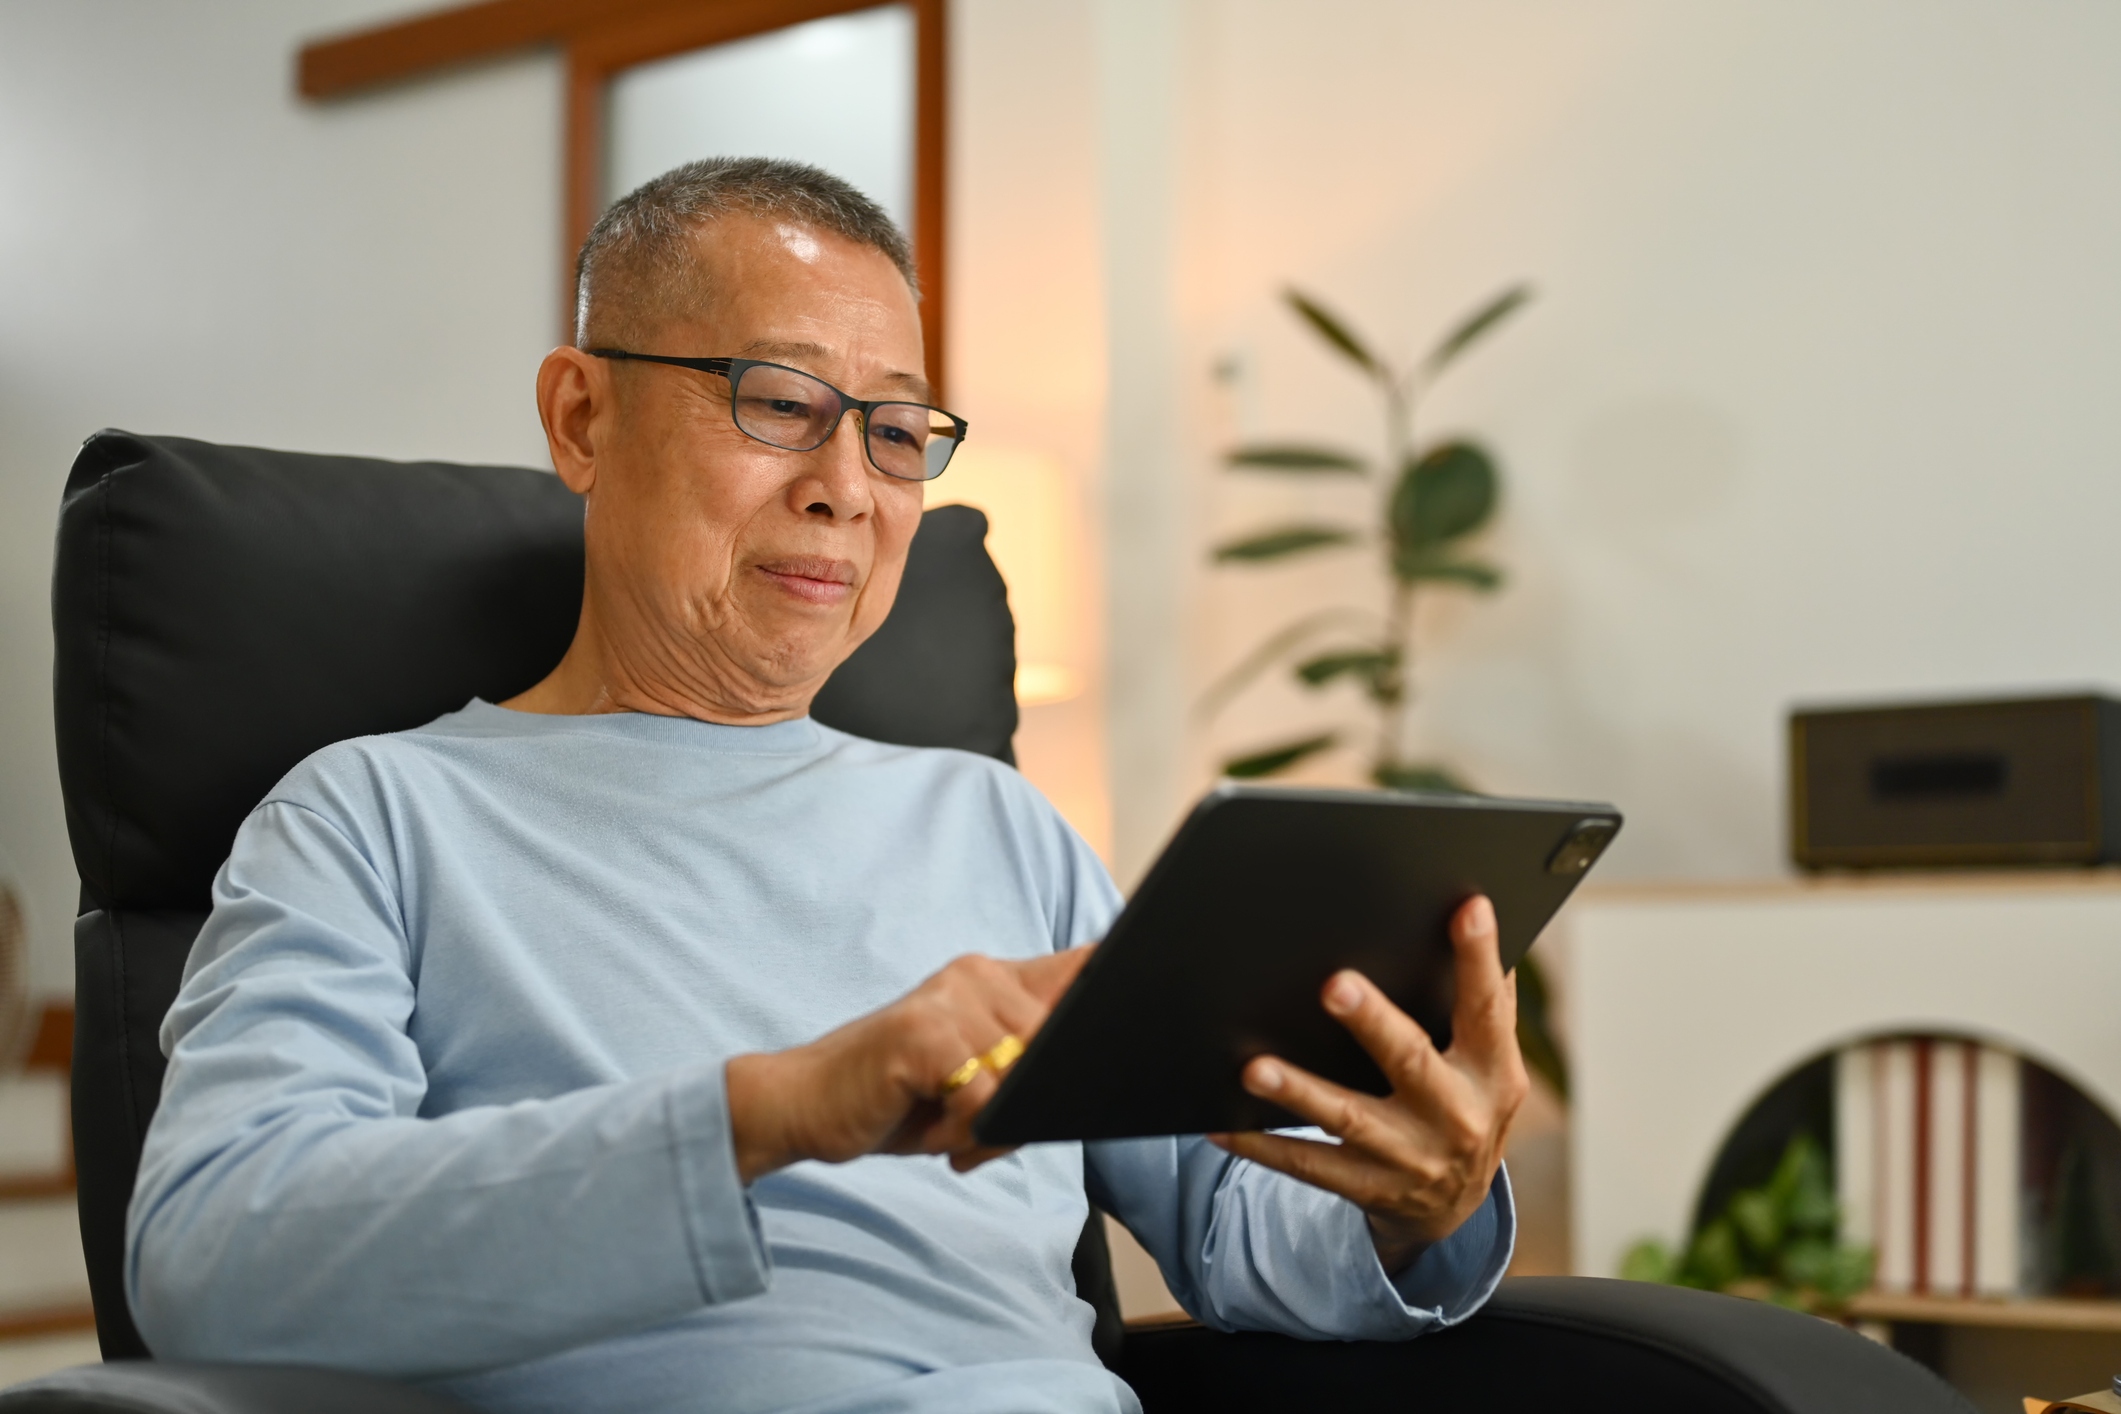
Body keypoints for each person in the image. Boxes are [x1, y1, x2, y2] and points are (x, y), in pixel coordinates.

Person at [127, 157, 1528, 1414]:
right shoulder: (369, 818)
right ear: (581, 417)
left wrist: (1413, 1193)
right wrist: (780, 1106)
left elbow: (1235, 1226)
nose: (847, 488)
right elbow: (216, 1254)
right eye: (783, 403)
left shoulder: (1000, 826)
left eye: (898, 433)